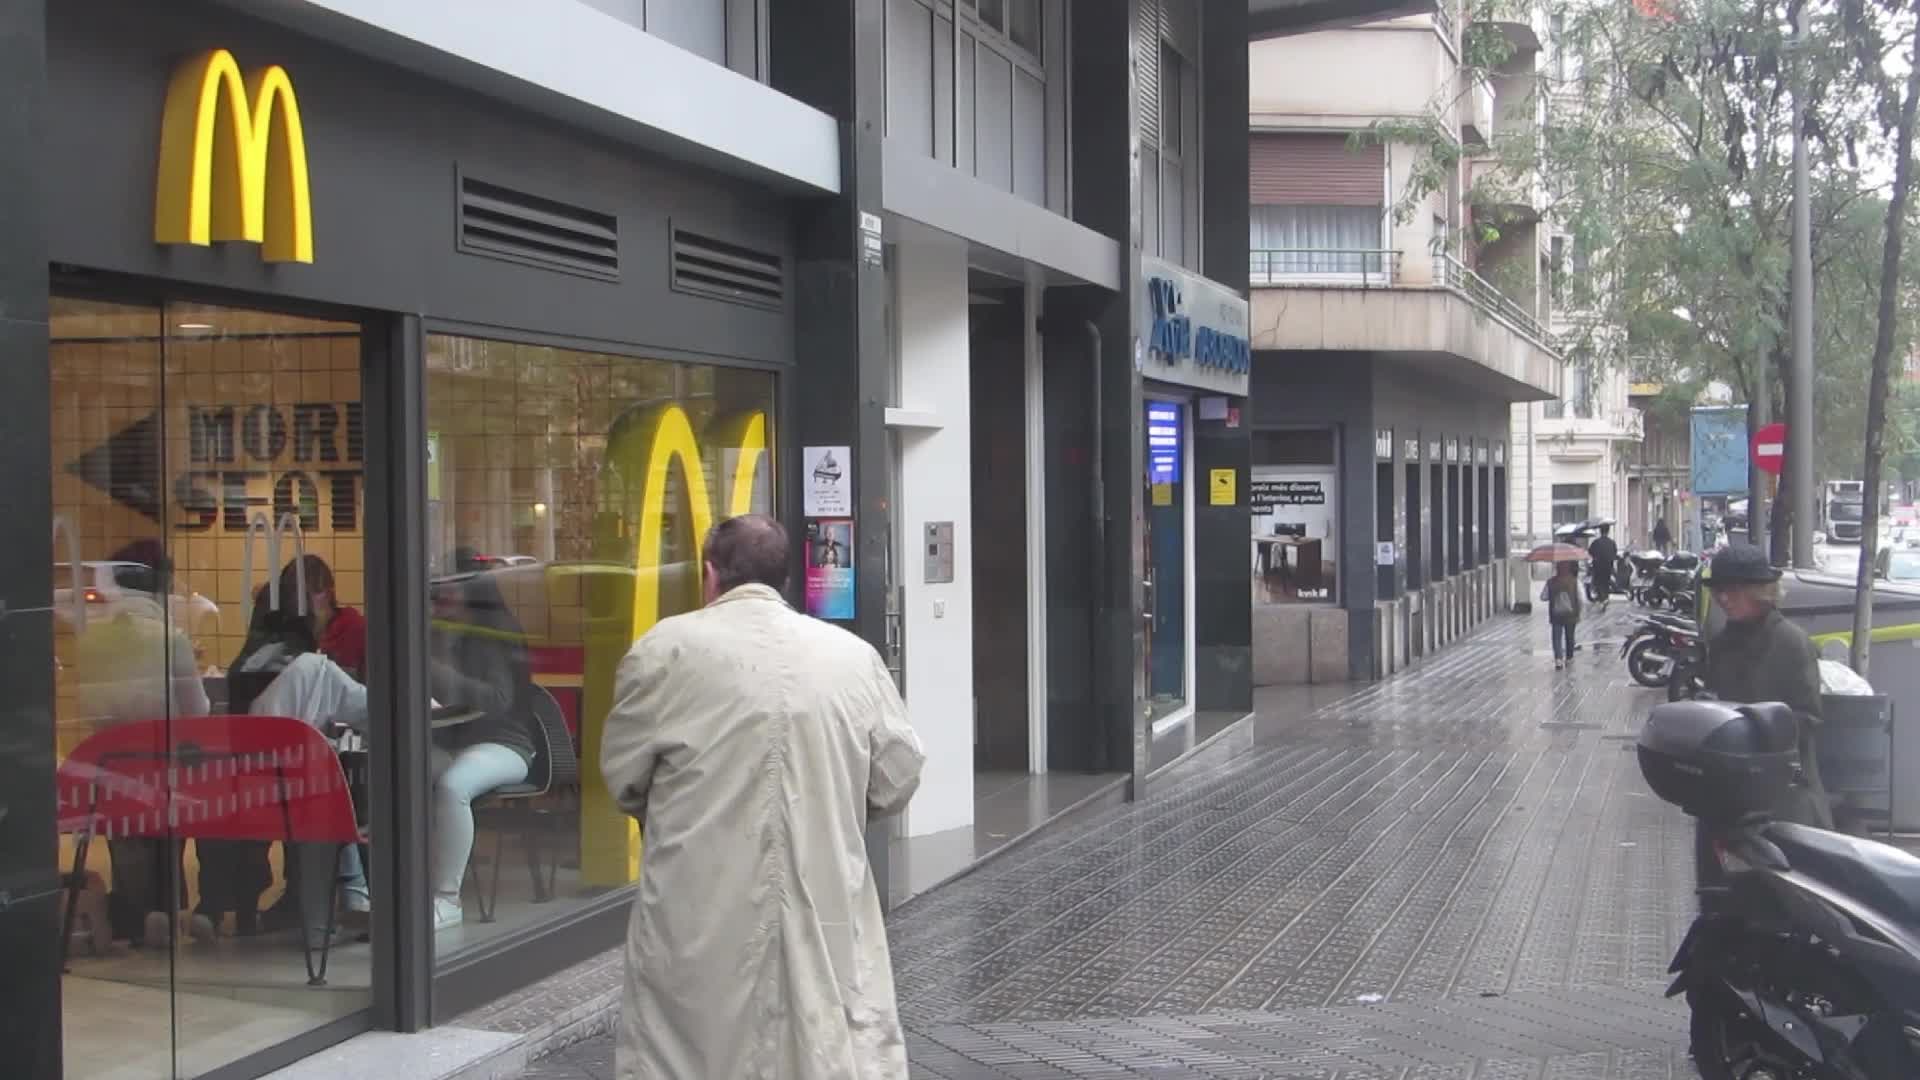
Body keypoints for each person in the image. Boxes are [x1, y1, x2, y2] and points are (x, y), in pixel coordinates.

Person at [601, 514, 925, 1080]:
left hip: (696, 901)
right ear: (787, 580)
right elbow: (897, 777)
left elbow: (624, 777)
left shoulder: (663, 651)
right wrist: (834, 807)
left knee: (688, 1049)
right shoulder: (852, 657)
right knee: (823, 1042)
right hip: (824, 892)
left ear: (709, 575)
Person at [72, 540, 209, 947]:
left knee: (128, 845)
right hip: (163, 768)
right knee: (169, 838)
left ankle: (132, 916)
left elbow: (87, 707)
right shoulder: (171, 637)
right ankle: (169, 914)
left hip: (110, 767)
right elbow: (197, 709)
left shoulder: (89, 640)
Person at [427, 567, 538, 931]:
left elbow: (499, 701)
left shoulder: (491, 634)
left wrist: (438, 674)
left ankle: (446, 899)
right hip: (449, 738)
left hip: (504, 743)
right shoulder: (436, 632)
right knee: (397, 774)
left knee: (453, 786)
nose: (440, 595)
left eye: (449, 588)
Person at [1700, 545, 1828, 829]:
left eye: (1733, 590)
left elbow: (1808, 719)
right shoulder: (1721, 645)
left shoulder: (1792, 643)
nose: (1723, 599)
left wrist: (1753, 728)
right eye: (1718, 590)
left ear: (1760, 592)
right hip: (1729, 796)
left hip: (1783, 800)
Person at [1541, 560, 1582, 670]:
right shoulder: (1574, 581)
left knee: (1556, 637)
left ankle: (1558, 660)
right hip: (1571, 614)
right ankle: (1569, 658)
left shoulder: (1551, 582)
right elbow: (1581, 598)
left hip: (1556, 614)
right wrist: (1579, 611)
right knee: (1570, 637)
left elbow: (1543, 597)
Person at [1587, 523, 1618, 606]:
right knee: (1606, 582)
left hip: (1598, 566)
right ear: (1608, 531)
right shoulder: (1612, 543)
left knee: (1598, 582)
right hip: (1608, 566)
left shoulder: (1596, 542)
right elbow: (1614, 554)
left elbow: (1590, 552)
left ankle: (1602, 598)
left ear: (1600, 531)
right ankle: (1605, 598)